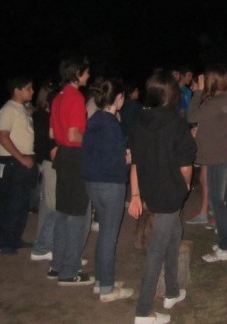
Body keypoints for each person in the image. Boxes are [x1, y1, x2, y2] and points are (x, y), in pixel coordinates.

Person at [128, 70, 197, 324]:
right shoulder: (176, 124)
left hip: (150, 190)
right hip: (169, 192)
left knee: (174, 233)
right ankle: (143, 311)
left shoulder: (140, 122)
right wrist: (185, 186)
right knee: (157, 247)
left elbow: (135, 162)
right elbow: (186, 166)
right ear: (172, 94)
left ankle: (172, 291)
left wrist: (136, 194)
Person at [81, 78, 134, 302]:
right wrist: (129, 159)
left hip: (92, 182)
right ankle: (107, 289)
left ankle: (101, 281)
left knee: (104, 233)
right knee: (109, 236)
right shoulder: (112, 124)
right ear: (118, 98)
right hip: (110, 184)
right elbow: (116, 160)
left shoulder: (94, 119)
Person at [188, 65, 227, 263]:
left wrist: (198, 92)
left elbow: (192, 116)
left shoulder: (216, 102)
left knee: (217, 202)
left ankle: (224, 248)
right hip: (224, 156)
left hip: (218, 158)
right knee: (220, 201)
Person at [48, 56, 93, 286]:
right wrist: (93, 141)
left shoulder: (57, 97)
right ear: (77, 73)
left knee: (63, 213)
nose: (89, 75)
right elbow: (74, 135)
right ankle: (69, 271)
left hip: (63, 157)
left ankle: (57, 265)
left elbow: (53, 133)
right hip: (74, 158)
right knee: (77, 216)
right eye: (86, 72)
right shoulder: (75, 97)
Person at [0, 76, 38, 255]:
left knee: (21, 204)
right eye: (28, 88)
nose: (32, 91)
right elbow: (3, 137)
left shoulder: (22, 109)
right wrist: (21, 158)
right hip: (11, 161)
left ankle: (14, 239)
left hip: (21, 161)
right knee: (9, 204)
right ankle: (0, 242)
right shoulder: (8, 109)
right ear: (17, 90)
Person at [31, 83, 58, 261]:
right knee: (54, 208)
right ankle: (42, 247)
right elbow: (45, 145)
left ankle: (43, 243)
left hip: (47, 163)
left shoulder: (43, 116)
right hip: (49, 164)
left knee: (48, 206)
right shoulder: (43, 118)